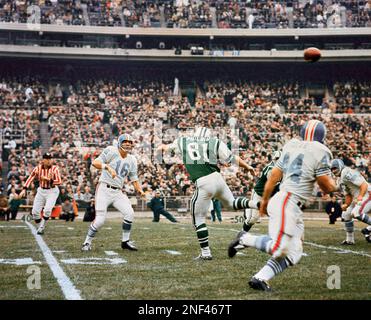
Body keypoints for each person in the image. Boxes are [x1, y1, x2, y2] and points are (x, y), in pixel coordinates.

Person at [228, 119, 337, 291]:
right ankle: (244, 238)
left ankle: (260, 278)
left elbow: (273, 176)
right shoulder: (321, 150)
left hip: (287, 202)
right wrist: (336, 185)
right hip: (288, 201)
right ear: (321, 137)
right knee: (281, 248)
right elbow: (325, 185)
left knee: (294, 252)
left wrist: (264, 200)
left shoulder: (291, 146)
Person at [159, 127, 257, 260]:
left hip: (204, 181)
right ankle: (256, 204)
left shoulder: (183, 141)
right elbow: (231, 159)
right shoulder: (214, 142)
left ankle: (205, 253)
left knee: (197, 217)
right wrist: (248, 166)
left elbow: (167, 148)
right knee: (232, 204)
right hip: (217, 178)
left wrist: (161, 147)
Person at [81, 134, 146, 251]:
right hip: (104, 189)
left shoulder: (132, 159)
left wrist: (140, 190)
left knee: (129, 213)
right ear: (119, 143)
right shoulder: (111, 151)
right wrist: (107, 167)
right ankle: (87, 242)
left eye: (130, 142)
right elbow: (95, 163)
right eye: (125, 141)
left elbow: (134, 178)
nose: (128, 144)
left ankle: (125, 242)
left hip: (117, 192)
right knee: (100, 220)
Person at [19, 152, 62, 235]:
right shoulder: (38, 168)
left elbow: (59, 181)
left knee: (47, 210)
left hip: (52, 191)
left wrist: (48, 180)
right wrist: (24, 188)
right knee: (35, 212)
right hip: (41, 190)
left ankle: (42, 226)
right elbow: (30, 177)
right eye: (47, 159)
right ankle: (40, 226)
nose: (49, 161)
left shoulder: (54, 169)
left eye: (50, 159)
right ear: (43, 160)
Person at [330, 159, 371, 244]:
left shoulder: (346, 172)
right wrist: (346, 204)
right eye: (332, 169)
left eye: (335, 168)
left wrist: (360, 196)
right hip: (358, 196)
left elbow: (363, 184)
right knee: (346, 214)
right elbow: (348, 195)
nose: (334, 171)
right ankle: (350, 240)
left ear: (340, 166)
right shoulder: (339, 179)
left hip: (367, 193)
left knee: (356, 213)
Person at [242, 150, 282, 232]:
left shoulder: (283, 169)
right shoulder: (271, 169)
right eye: (278, 159)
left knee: (277, 215)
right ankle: (240, 236)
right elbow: (273, 185)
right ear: (274, 159)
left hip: (270, 195)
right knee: (252, 219)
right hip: (259, 194)